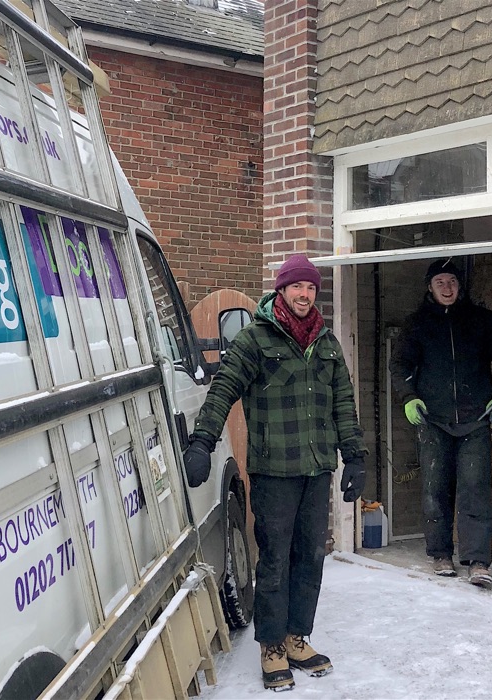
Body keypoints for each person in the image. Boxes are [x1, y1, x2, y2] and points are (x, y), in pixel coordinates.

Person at [181, 254, 367, 691]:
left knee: (311, 557)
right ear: (281, 289)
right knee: (276, 560)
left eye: (311, 288)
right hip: (274, 473)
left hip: (316, 469)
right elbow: (223, 389)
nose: (304, 295)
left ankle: (297, 637)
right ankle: (271, 646)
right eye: (297, 287)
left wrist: (354, 457)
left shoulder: (326, 343)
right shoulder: (254, 340)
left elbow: (343, 402)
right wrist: (202, 442)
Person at [389, 258, 492, 586]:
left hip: (475, 419)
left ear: (460, 287)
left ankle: (478, 561)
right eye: (440, 282)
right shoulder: (417, 324)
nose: (447, 288)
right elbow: (400, 363)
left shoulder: (481, 320)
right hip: (433, 420)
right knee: (435, 488)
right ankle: (441, 553)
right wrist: (408, 396)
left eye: (451, 282)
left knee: (475, 488)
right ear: (430, 288)